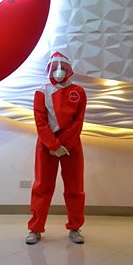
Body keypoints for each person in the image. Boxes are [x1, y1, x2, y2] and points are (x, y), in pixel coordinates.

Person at [26, 51, 87, 245]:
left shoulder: (79, 91)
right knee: (42, 187)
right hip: (46, 146)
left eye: (63, 67)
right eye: (55, 67)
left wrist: (65, 145)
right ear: (49, 69)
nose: (59, 71)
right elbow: (40, 121)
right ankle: (35, 229)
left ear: (69, 69)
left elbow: (78, 121)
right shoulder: (41, 92)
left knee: (75, 188)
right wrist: (53, 144)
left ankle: (75, 227)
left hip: (72, 146)